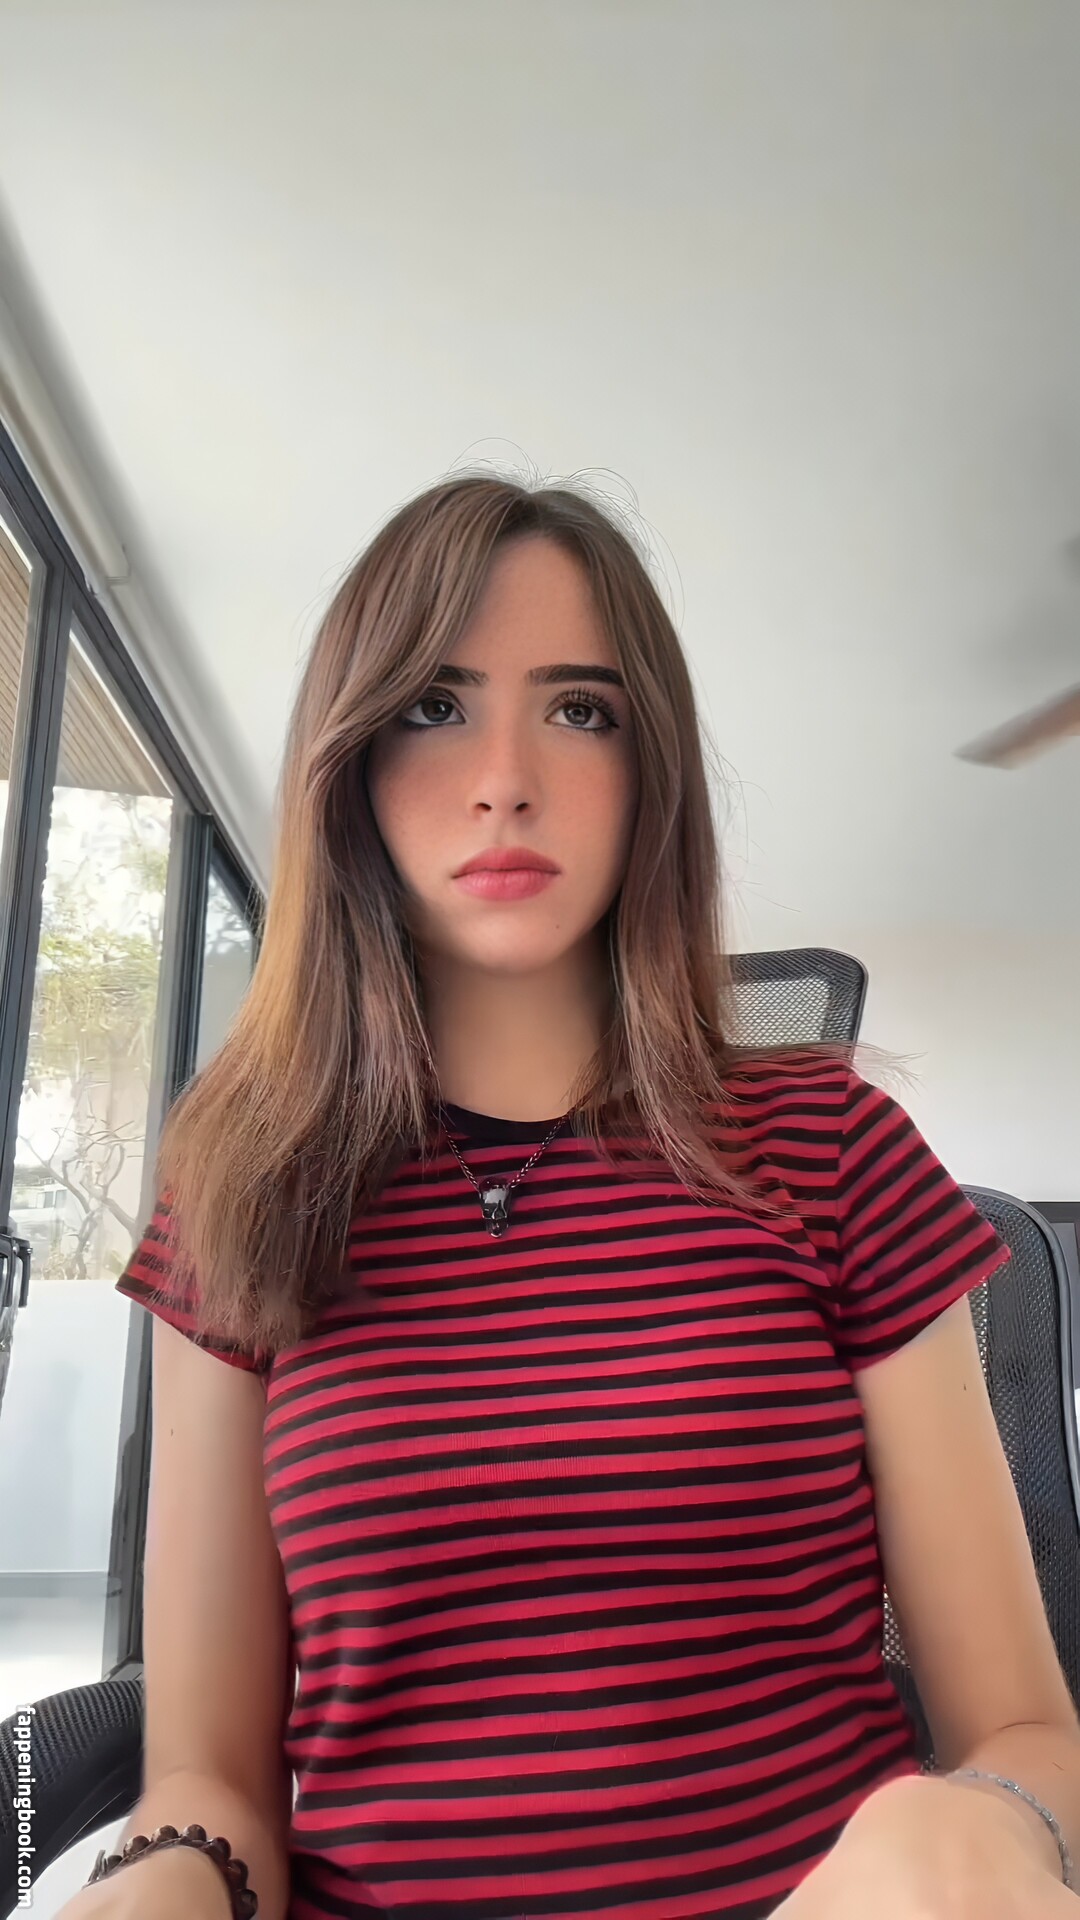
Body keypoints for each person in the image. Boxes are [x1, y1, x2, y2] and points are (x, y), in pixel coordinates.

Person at [61, 476, 1079, 1920]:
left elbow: (1027, 1734)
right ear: (347, 765)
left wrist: (972, 1830)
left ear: (650, 768)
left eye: (581, 710)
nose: (505, 780)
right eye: (435, 706)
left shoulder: (834, 1149)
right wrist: (161, 1880)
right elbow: (208, 1781)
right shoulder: (242, 1186)